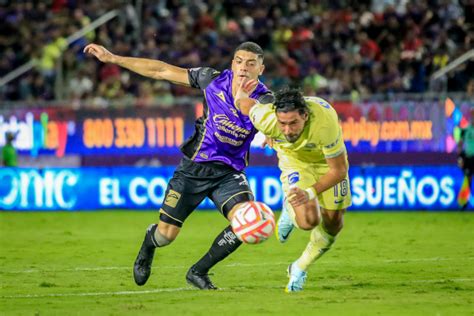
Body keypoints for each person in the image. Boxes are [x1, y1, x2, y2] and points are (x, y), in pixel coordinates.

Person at [84, 42, 273, 289]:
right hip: (193, 169)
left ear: (261, 68)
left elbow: (273, 119)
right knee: (166, 236)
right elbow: (161, 71)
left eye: (251, 63)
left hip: (229, 173)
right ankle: (149, 244)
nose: (243, 68)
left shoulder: (267, 99)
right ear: (232, 64)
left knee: (248, 222)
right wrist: (114, 58)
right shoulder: (211, 80)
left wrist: (273, 131)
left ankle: (198, 272)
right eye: (239, 61)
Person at [235, 85, 352, 292]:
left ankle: (298, 267)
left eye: (293, 124)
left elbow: (339, 170)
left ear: (305, 116)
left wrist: (309, 192)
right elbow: (244, 103)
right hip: (295, 163)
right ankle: (290, 206)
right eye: (282, 124)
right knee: (308, 221)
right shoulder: (267, 119)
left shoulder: (324, 123)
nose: (287, 130)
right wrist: (241, 91)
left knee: (334, 224)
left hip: (327, 165)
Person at [457, 108, 474, 209]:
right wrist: (460, 158)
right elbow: (460, 144)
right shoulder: (466, 130)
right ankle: (464, 203)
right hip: (469, 157)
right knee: (467, 180)